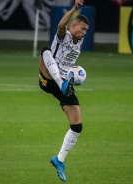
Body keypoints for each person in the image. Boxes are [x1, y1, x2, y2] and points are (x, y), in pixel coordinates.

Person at [38, 0, 89, 182]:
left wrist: (75, 74)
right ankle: (61, 83)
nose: (84, 33)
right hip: (48, 79)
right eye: (82, 29)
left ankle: (59, 160)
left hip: (65, 82)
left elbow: (68, 62)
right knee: (45, 50)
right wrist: (74, 9)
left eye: (86, 31)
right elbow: (60, 26)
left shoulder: (78, 44)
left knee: (77, 126)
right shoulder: (64, 35)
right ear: (73, 26)